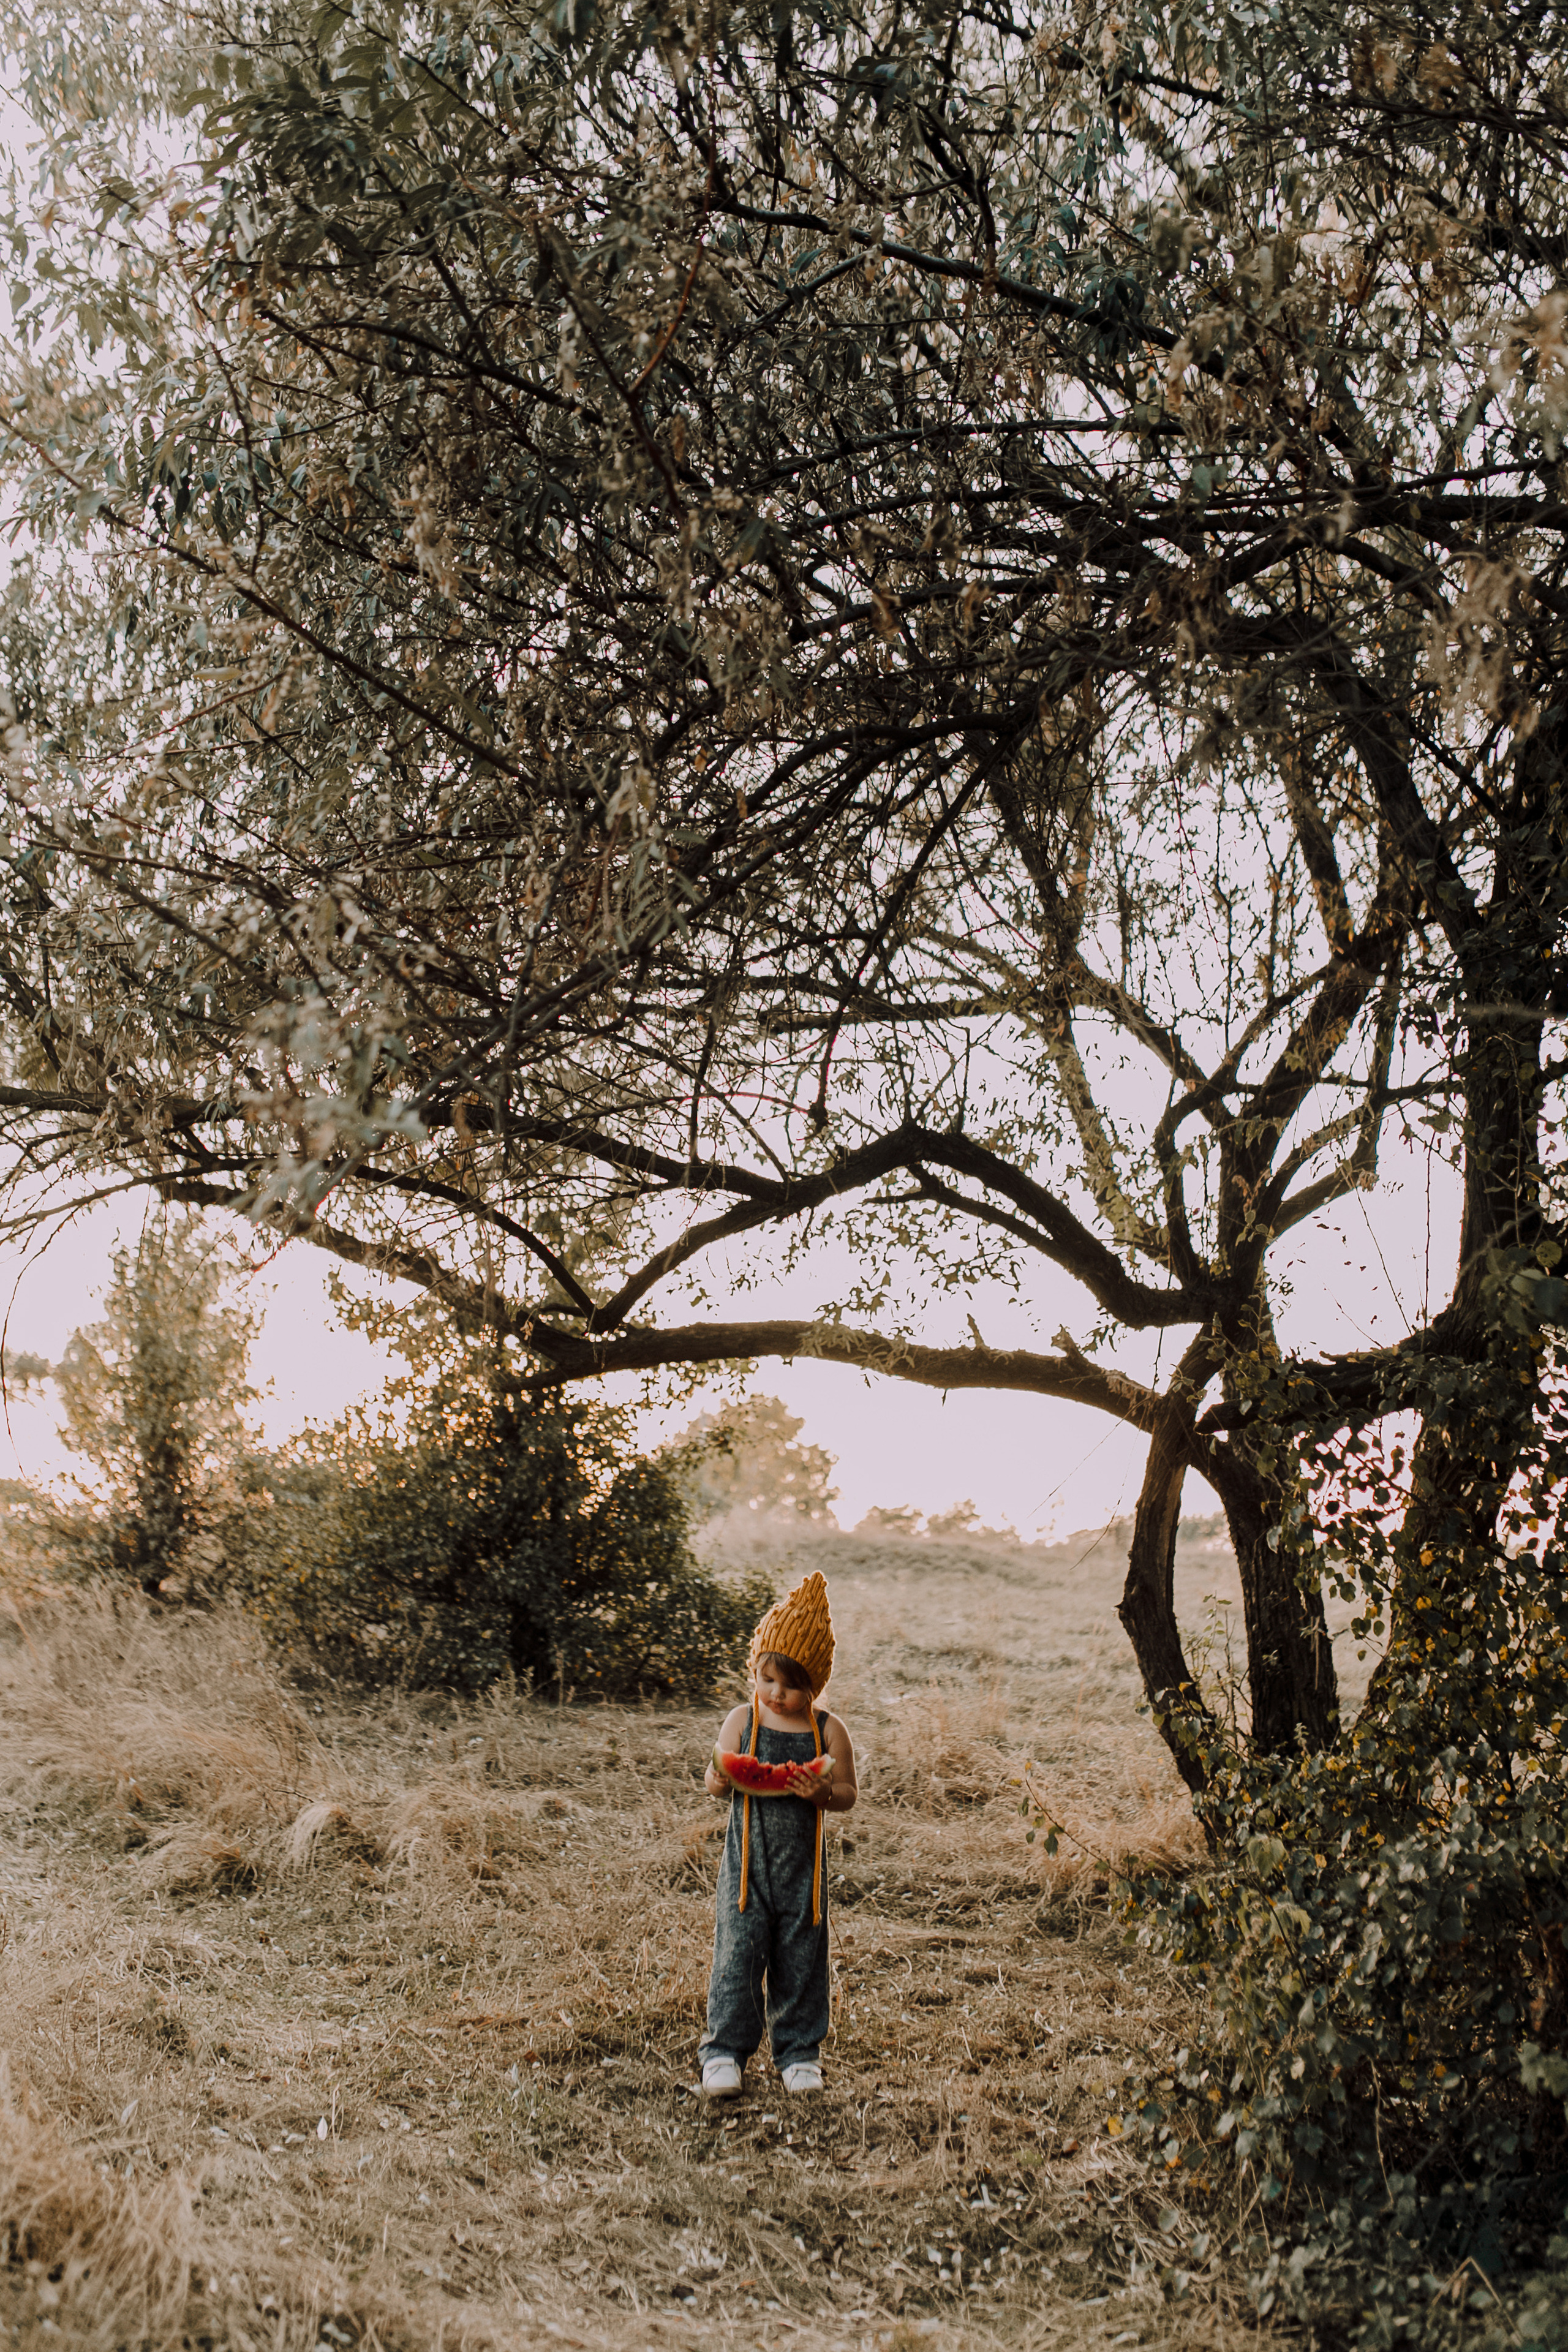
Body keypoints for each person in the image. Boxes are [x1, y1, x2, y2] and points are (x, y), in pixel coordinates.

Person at [699, 1569, 857, 2099]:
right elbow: (716, 1783)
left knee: (802, 1962)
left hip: (804, 1876)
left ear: (815, 1686)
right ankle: (724, 2052)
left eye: (792, 1686)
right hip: (745, 1872)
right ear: (756, 1670)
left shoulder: (828, 1731)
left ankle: (799, 2055)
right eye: (769, 1680)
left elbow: (848, 1795)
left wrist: (820, 1794)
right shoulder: (742, 1721)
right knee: (736, 1958)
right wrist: (721, 1776)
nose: (778, 1693)